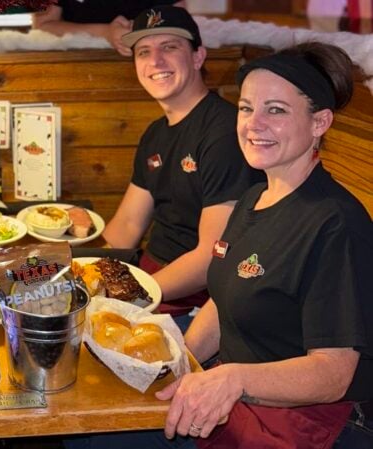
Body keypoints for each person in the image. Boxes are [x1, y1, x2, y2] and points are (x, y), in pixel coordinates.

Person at [71, 41, 373, 449]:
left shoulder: (335, 223)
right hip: (230, 387)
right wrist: (177, 362)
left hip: (295, 420)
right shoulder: (254, 198)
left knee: (93, 441)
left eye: (276, 110)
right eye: (247, 108)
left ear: (320, 122)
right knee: (86, 420)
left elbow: (332, 373)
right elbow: (222, 299)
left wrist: (233, 379)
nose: (253, 124)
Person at [100, 6, 262, 329]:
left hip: (195, 304)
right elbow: (127, 227)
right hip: (148, 279)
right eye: (143, 51)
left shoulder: (224, 131)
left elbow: (209, 260)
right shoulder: (155, 134)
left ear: (198, 56)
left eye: (169, 47)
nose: (155, 61)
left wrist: (131, 296)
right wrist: (74, 267)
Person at [32, 0, 185, 56]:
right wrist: (105, 33)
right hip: (77, 64)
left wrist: (139, 29)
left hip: (147, 59)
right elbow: (42, 25)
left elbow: (178, 17)